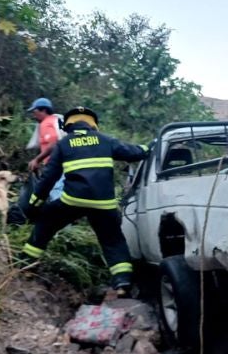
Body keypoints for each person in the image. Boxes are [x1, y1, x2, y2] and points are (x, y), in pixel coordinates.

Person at [21, 106, 149, 294]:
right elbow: (134, 152)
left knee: (45, 223)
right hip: (104, 203)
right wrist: (149, 147)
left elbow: (49, 177)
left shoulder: (63, 144)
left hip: (72, 200)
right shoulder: (106, 140)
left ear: (67, 125)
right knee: (113, 240)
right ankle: (122, 282)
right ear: (93, 124)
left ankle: (26, 265)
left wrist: (35, 202)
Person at [26, 98, 66, 201]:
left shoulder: (46, 123)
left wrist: (37, 160)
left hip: (58, 165)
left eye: (35, 111)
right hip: (66, 163)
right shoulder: (56, 121)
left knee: (56, 193)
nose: (33, 115)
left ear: (43, 110)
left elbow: (53, 144)